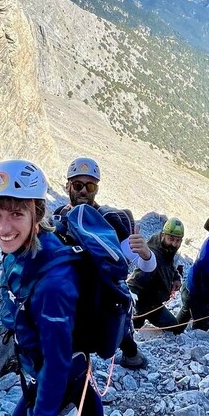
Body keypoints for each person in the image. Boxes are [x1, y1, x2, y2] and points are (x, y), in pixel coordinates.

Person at [0, 159, 110, 416]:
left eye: (16, 214)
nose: (3, 228)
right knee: (83, 387)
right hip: (77, 357)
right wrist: (4, 274)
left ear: (37, 212)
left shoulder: (53, 285)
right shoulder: (31, 246)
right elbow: (19, 260)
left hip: (58, 362)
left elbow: (56, 359)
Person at [54, 157, 156, 370]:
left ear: (96, 190)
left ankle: (130, 356)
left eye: (90, 186)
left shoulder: (110, 221)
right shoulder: (58, 218)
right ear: (67, 186)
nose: (84, 191)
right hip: (73, 296)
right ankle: (132, 357)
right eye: (78, 185)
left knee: (115, 328)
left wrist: (146, 254)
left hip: (103, 297)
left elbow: (145, 266)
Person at [127, 217, 185, 334]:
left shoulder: (167, 250)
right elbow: (136, 280)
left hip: (155, 305)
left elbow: (170, 267)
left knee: (174, 328)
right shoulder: (153, 254)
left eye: (177, 241)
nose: (174, 244)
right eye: (171, 239)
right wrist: (130, 301)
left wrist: (176, 278)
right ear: (163, 235)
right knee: (129, 331)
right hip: (142, 306)